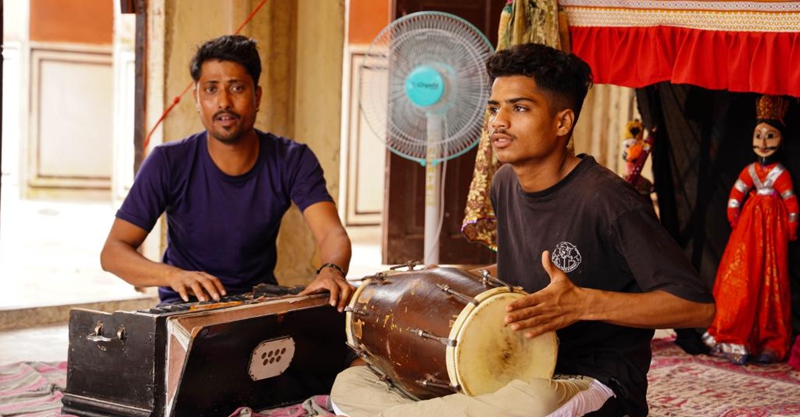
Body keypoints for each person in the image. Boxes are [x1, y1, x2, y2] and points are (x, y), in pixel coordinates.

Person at [330, 43, 715, 417]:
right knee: (351, 385)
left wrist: (583, 303)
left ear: (563, 122)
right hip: (512, 367)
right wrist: (432, 285)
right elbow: (517, 275)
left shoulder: (609, 201)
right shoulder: (505, 184)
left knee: (528, 406)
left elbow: (698, 308)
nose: (499, 121)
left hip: (589, 380)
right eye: (495, 107)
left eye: (519, 108)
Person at [100, 34, 353, 310]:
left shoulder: (292, 159)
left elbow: (332, 233)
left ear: (257, 95)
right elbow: (113, 252)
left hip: (255, 305)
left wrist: (331, 269)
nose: (223, 102)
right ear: (196, 97)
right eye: (211, 89)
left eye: (236, 88)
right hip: (184, 308)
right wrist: (173, 276)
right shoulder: (168, 161)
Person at [703, 94, 797, 364]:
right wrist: (735, 217)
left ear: (781, 139)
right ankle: (733, 337)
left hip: (772, 234)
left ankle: (768, 339)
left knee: (770, 280)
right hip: (747, 234)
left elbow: (791, 203)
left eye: (770, 136)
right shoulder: (750, 170)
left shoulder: (780, 173)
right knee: (742, 278)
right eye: (759, 136)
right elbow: (736, 195)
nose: (763, 143)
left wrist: (791, 227)